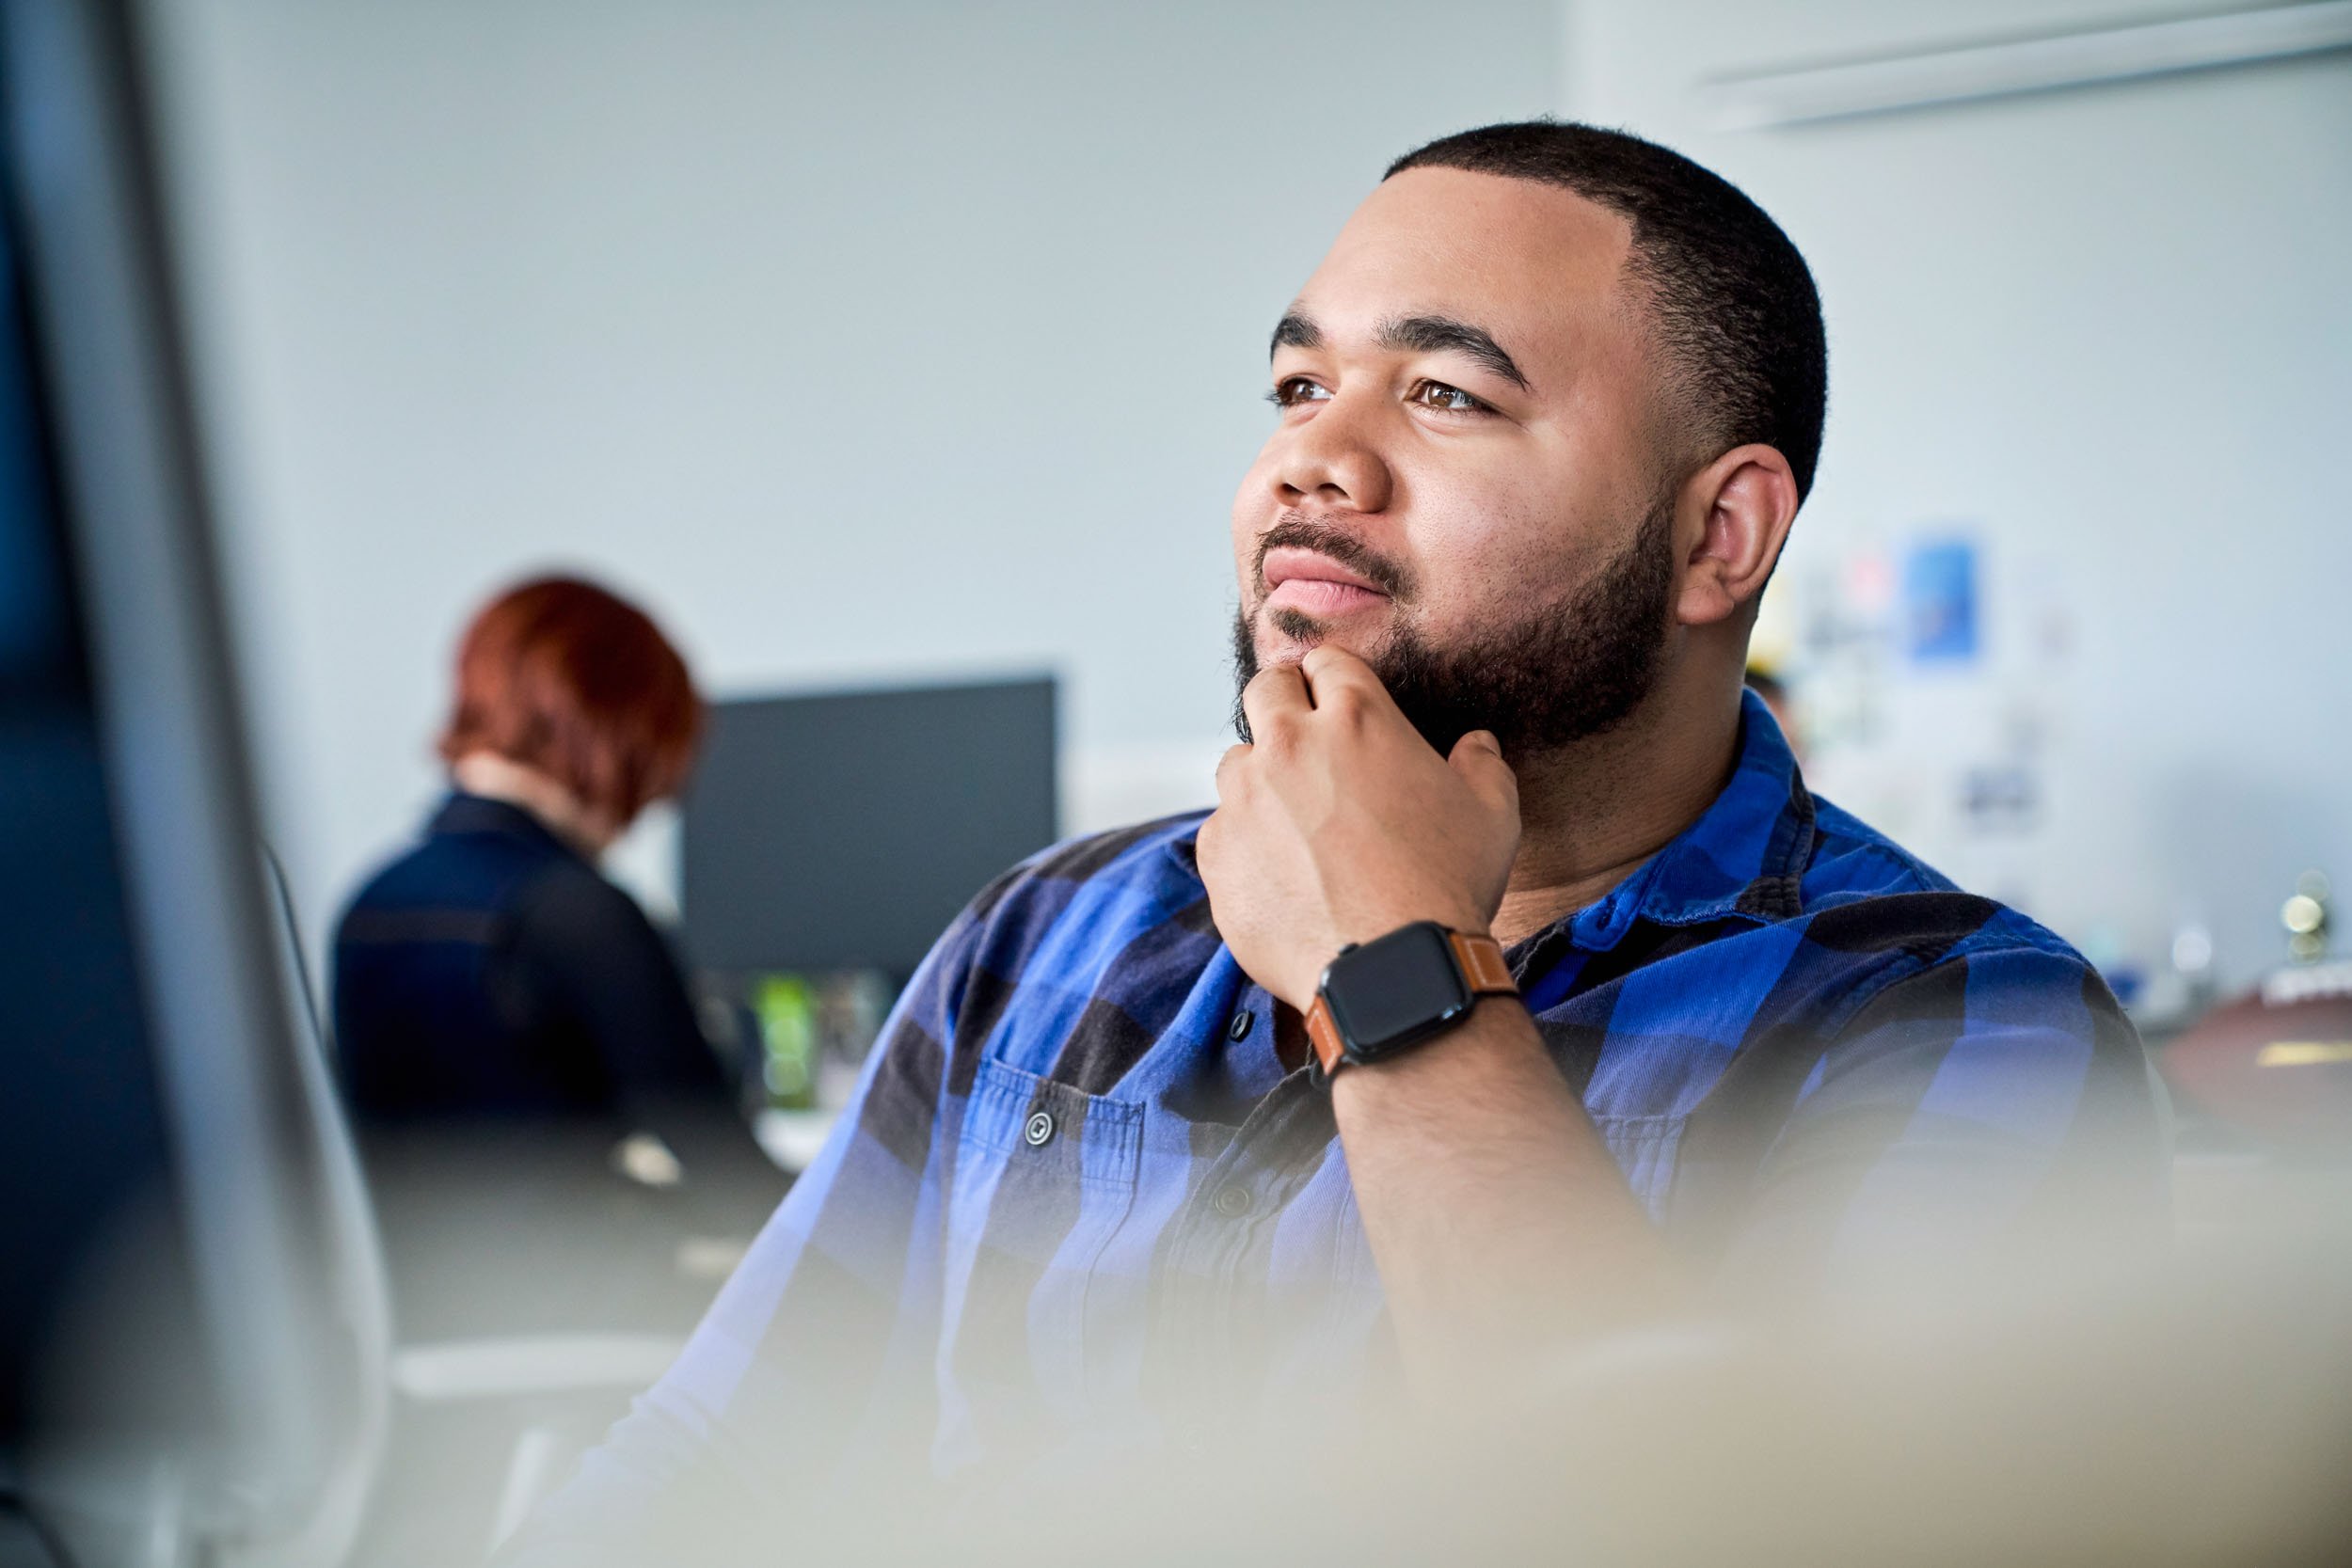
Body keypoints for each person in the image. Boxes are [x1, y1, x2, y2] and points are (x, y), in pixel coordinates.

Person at [502, 121, 2167, 1560]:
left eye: (1444, 393)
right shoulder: (1050, 937)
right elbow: (710, 1463)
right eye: (1300, 382)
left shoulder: (1955, 1023)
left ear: (1718, 534)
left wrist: (1389, 954)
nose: (1310, 457)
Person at [333, 576, 771, 1228]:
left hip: (439, 1315)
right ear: (619, 730)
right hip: (594, 1311)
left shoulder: (368, 903)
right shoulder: (575, 914)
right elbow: (730, 1183)